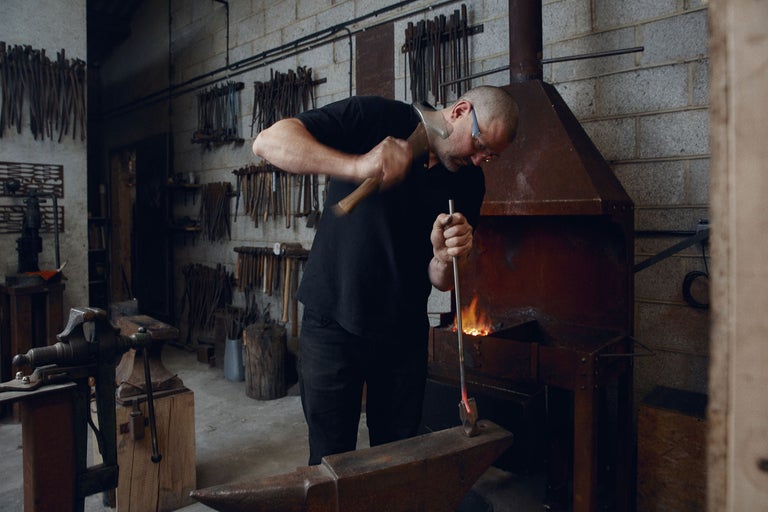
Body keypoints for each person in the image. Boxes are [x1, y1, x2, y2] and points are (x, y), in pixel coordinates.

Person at [252, 86, 519, 465]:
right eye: (478, 144)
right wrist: (358, 166)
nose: (478, 159)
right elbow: (267, 142)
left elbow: (442, 279)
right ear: (461, 111)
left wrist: (444, 257)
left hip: (402, 335)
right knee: (331, 460)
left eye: (488, 155)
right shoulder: (376, 117)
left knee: (396, 460)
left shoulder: (469, 182)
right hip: (333, 323)